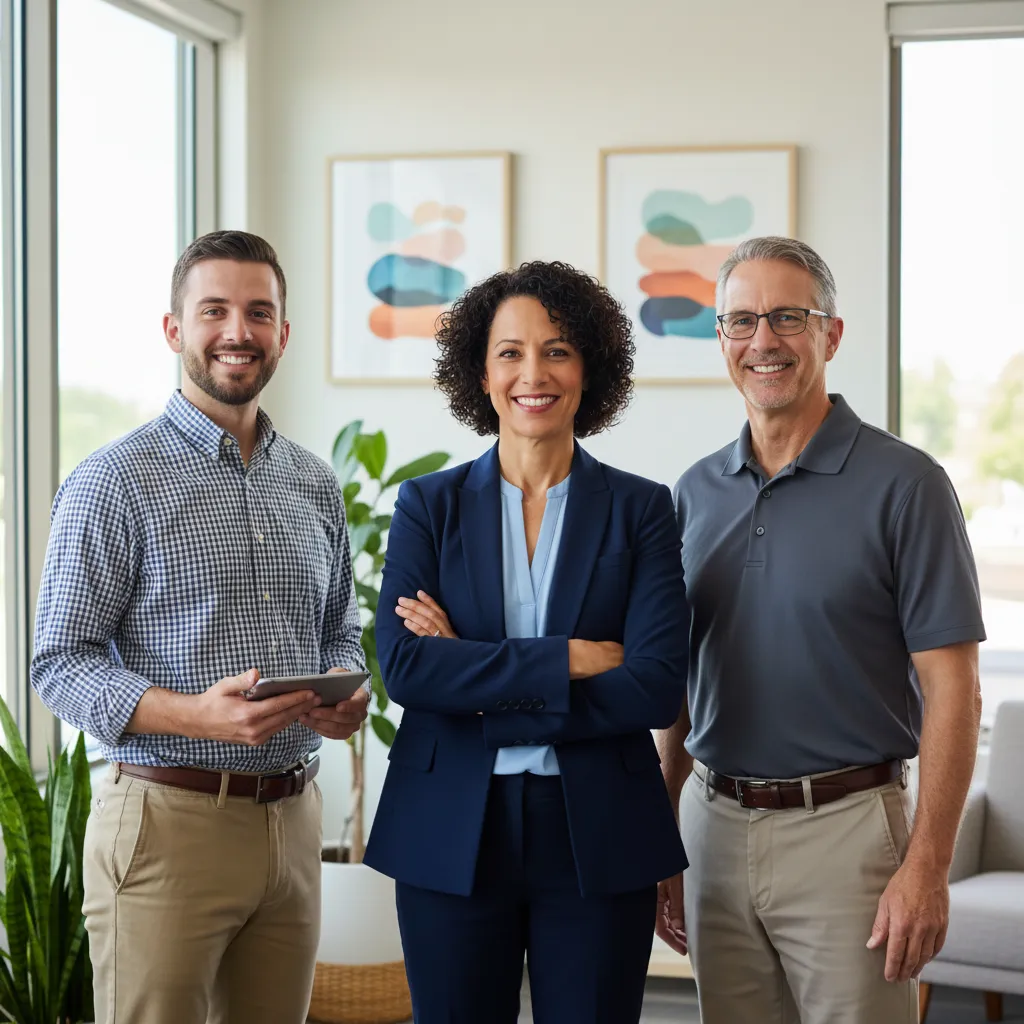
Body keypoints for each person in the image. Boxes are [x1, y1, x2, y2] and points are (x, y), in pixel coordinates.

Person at [31, 230, 369, 1024]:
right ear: (175, 329)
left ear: (283, 333)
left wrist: (342, 699)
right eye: (214, 309)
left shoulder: (314, 483)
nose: (237, 332)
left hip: (294, 823)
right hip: (167, 828)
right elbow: (58, 662)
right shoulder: (113, 481)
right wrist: (196, 715)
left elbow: (340, 631)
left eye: (259, 312)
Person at [654, 236, 985, 1024]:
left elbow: (955, 691)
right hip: (715, 827)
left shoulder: (908, 486)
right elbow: (680, 688)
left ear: (831, 335)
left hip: (848, 837)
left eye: (788, 318)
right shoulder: (692, 494)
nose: (763, 341)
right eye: (741, 321)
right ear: (722, 341)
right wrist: (661, 836)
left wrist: (927, 866)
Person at [362, 261, 688, 1023]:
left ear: (589, 369)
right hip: (449, 828)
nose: (532, 373)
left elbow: (655, 686)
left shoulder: (642, 510)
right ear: (480, 371)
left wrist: (473, 679)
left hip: (598, 830)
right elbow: (408, 669)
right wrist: (569, 658)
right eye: (509, 352)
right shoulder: (427, 506)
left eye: (557, 350)